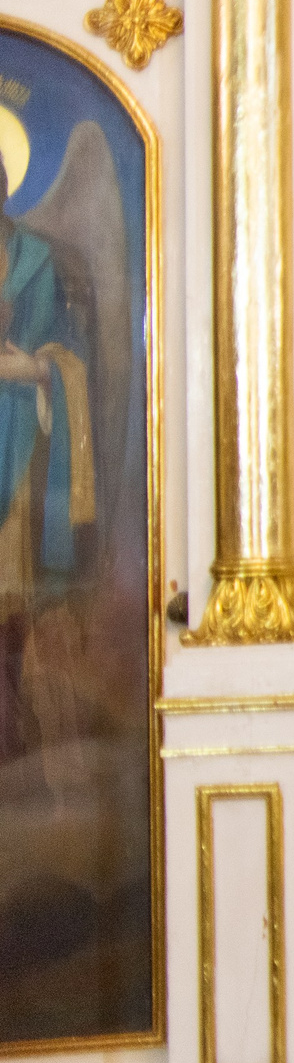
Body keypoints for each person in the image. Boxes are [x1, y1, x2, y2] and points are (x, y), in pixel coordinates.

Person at [0, 153, 95, 771]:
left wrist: (34, 369)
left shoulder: (46, 261)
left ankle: (19, 733)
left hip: (22, 444)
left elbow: (78, 352)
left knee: (15, 602)